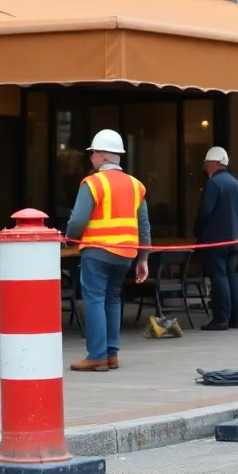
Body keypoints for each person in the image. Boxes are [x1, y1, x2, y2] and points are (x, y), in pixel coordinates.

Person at [65, 129, 150, 372]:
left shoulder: (92, 183)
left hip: (97, 251)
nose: (90, 157)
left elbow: (78, 219)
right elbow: (144, 225)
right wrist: (143, 258)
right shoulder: (136, 185)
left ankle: (97, 356)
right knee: (112, 299)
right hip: (126, 254)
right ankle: (111, 354)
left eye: (93, 153)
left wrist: (69, 237)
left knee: (94, 300)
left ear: (103, 155)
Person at [193, 146, 238, 331]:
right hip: (231, 238)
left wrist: (197, 230)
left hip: (214, 239)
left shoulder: (214, 184)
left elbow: (205, 211)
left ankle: (221, 318)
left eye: (206, 164)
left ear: (214, 163)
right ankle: (235, 317)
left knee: (218, 277)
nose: (205, 168)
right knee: (231, 276)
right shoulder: (237, 184)